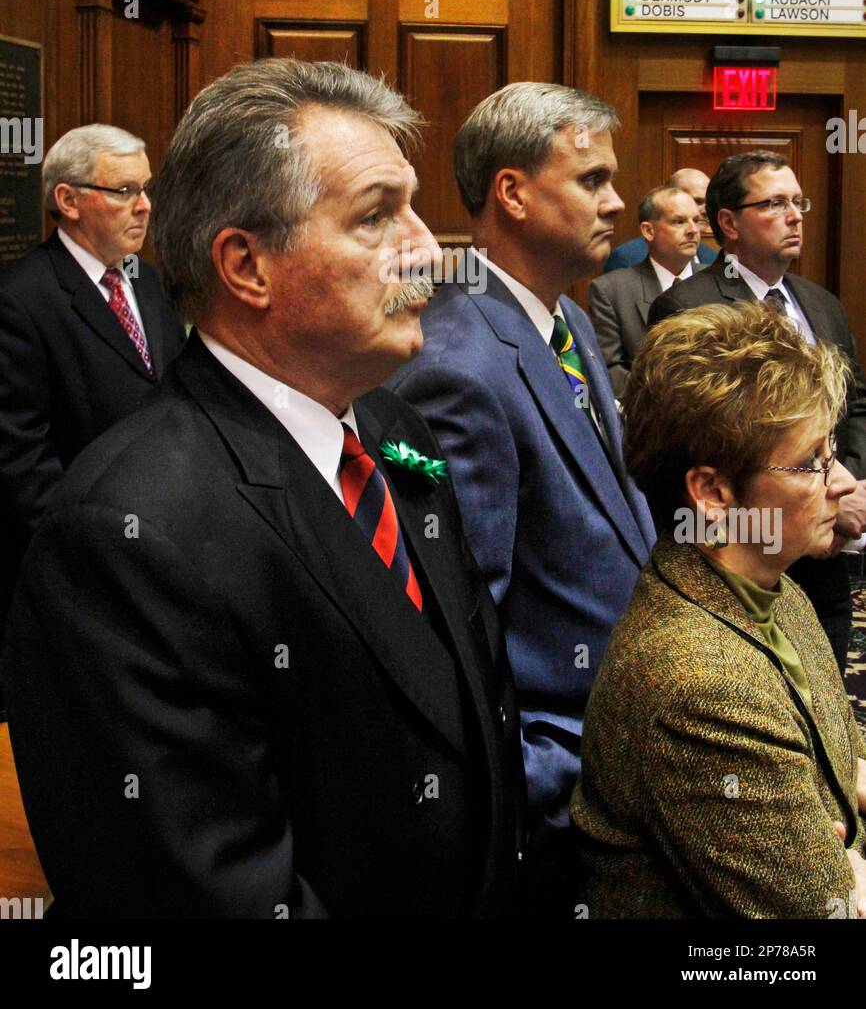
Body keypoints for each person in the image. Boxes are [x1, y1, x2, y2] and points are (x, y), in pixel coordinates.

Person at [3, 60, 524, 919]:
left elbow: (472, 706)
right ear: (247, 265)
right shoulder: (121, 537)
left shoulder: (396, 432)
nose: (428, 249)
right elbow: (208, 892)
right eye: (376, 216)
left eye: (416, 208)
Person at [388, 81, 655, 915]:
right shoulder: (456, 365)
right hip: (561, 793)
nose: (616, 202)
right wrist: (542, 783)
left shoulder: (563, 322)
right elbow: (465, 625)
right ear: (512, 191)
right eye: (592, 180)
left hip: (620, 752)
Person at [570, 301, 866, 919]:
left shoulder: (772, 588)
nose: (840, 481)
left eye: (831, 451)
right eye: (810, 463)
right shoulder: (703, 686)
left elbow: (840, 760)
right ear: (713, 493)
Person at [648, 150, 866, 673]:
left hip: (827, 558)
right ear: (728, 223)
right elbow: (692, 441)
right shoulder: (688, 307)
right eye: (774, 203)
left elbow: (855, 405)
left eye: (798, 202)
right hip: (744, 556)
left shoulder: (822, 304)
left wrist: (846, 485)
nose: (794, 216)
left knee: (828, 705)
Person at [0, 125, 185, 673]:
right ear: (68, 200)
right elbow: (20, 459)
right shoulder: (21, 300)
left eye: (146, 189)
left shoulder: (148, 282)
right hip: (82, 569)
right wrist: (95, 551)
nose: (144, 206)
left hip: (164, 544)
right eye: (125, 191)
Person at [588, 184, 704, 396]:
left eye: (696, 221)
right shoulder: (611, 290)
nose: (693, 230)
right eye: (679, 222)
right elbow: (608, 368)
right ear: (649, 231)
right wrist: (663, 402)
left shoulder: (721, 280)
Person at [604, 166, 715, 272]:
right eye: (697, 201)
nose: (706, 210)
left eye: (709, 202)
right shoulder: (627, 258)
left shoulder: (713, 258)